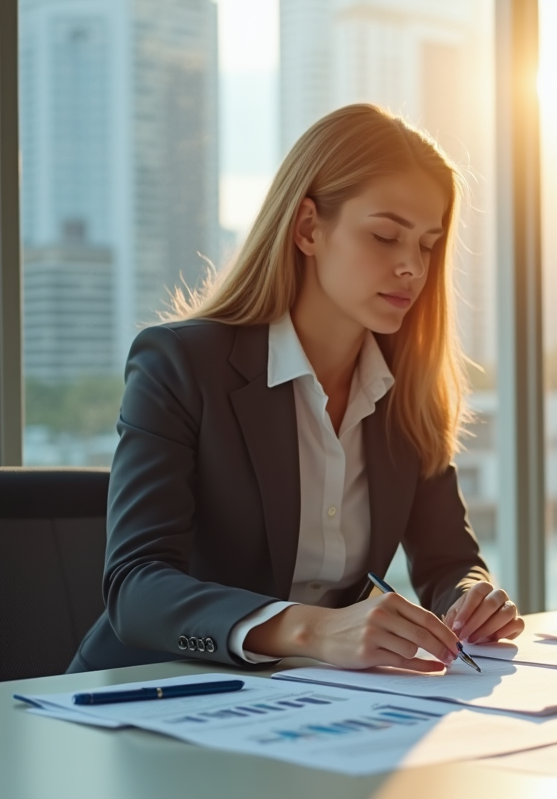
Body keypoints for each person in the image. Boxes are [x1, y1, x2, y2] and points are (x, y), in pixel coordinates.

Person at [70, 104, 522, 673]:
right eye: (385, 236)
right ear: (308, 227)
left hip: (308, 704)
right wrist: (313, 629)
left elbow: (450, 561)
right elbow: (135, 588)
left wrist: (470, 601)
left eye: (427, 245)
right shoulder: (182, 364)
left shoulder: (405, 389)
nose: (412, 266)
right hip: (148, 692)